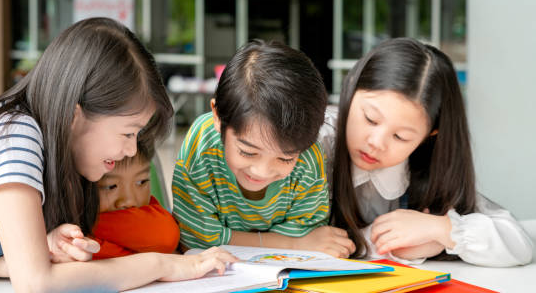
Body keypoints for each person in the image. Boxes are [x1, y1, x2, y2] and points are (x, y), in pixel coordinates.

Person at [0, 17, 236, 293]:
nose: (130, 150)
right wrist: (163, 265)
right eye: (128, 132)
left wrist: (41, 248)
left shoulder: (40, 141)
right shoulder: (14, 135)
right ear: (76, 115)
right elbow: (38, 290)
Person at [319, 37, 533, 266]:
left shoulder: (426, 166)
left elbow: (519, 245)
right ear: (350, 88)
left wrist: (442, 229)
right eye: (370, 119)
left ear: (429, 135)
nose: (376, 142)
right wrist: (393, 245)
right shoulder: (313, 143)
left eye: (400, 137)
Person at [172, 40, 355, 257]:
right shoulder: (202, 146)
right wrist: (292, 245)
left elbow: (308, 231)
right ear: (218, 116)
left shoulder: (307, 153)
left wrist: (227, 238)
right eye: (248, 152)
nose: (262, 171)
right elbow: (195, 239)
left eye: (285, 159)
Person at [92, 143, 179, 259]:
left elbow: (167, 235)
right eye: (110, 186)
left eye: (141, 182)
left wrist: (90, 224)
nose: (129, 200)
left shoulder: (151, 213)